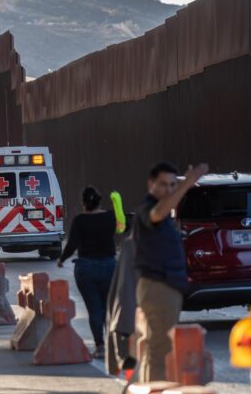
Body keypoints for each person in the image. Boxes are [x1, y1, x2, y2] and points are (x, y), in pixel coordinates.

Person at [134, 161, 208, 382]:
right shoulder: (149, 209)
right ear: (151, 184)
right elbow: (157, 213)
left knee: (156, 349)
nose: (168, 190)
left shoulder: (166, 216)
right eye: (163, 184)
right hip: (158, 288)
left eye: (172, 185)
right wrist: (187, 184)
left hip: (165, 287)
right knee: (161, 351)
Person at [57, 186, 118, 359]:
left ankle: (100, 346)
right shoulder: (109, 217)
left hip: (86, 269)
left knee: (94, 309)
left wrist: (62, 259)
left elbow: (72, 244)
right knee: (108, 308)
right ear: (99, 201)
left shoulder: (79, 220)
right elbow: (121, 228)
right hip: (109, 266)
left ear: (83, 204)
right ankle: (114, 346)